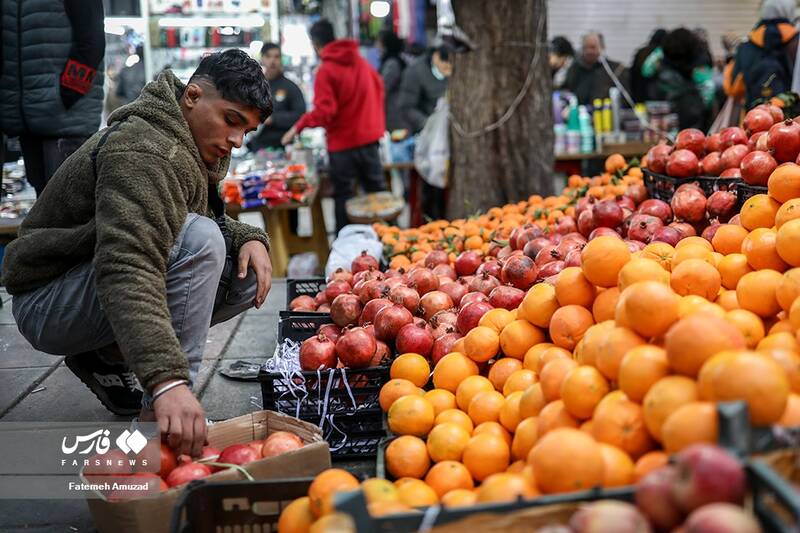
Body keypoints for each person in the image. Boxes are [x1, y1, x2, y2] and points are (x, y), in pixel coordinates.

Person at [1, 49, 273, 458]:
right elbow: (128, 264)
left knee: (243, 270)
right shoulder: (144, 151)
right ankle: (159, 419)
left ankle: (107, 355)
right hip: (46, 302)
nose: (236, 140)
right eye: (232, 120)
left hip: (86, 289)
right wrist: (167, 383)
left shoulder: (184, 142)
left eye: (246, 131)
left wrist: (248, 236)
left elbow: (176, 220)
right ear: (193, 96)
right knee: (200, 241)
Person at [281, 19, 387, 233]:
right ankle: (388, 241)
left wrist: (297, 127)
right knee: (378, 194)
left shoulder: (326, 70)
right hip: (370, 140)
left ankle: (344, 245)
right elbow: (379, 88)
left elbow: (324, 112)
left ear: (315, 44)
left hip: (343, 146)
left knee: (344, 198)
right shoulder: (360, 61)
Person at [0, 0, 106, 197]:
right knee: (42, 206)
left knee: (68, 206)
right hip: (26, 118)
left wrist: (68, 93)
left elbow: (92, 41)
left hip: (66, 119)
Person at [725, 0, 799, 107]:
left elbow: (732, 88)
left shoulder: (746, 44)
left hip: (756, 117)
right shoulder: (796, 42)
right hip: (793, 118)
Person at [247, 42, 306, 152]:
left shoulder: (291, 87)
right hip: (257, 148)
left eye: (276, 56)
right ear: (262, 59)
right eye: (268, 56)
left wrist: (273, 119)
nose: (272, 61)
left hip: (283, 148)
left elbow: (301, 115)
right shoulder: (255, 86)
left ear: (281, 59)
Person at [652, 28, 714, 130]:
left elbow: (708, 92)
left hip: (692, 110)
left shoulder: (699, 60)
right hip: (675, 109)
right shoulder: (668, 55)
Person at [398, 45, 452, 135]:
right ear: (436, 57)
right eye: (445, 68)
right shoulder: (414, 72)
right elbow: (406, 106)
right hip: (424, 131)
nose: (447, 73)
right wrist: (428, 124)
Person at [564, 32, 629, 105]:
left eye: (592, 47)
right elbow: (567, 92)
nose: (589, 51)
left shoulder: (615, 70)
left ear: (602, 47)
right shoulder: (574, 70)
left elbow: (624, 98)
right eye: (585, 47)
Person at [377, 30, 408, 132]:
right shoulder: (393, 61)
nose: (377, 46)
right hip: (393, 113)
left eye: (379, 43)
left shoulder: (392, 64)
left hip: (395, 115)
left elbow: (383, 87)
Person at [630, 29, 666, 102]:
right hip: (655, 95)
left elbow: (632, 73)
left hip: (639, 93)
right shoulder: (661, 53)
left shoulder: (641, 52)